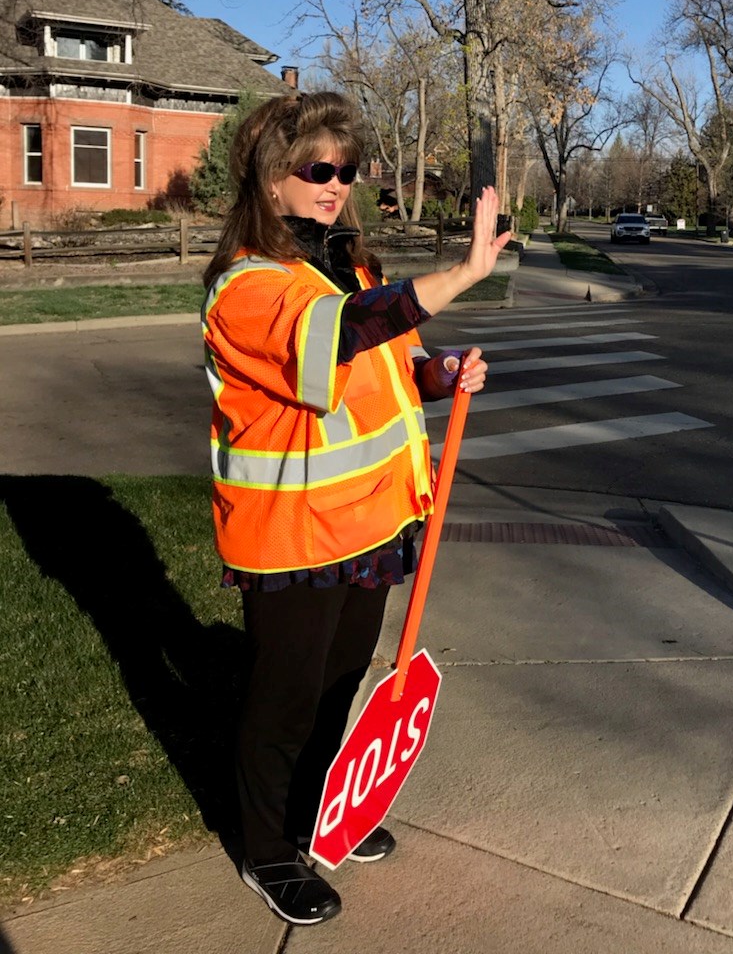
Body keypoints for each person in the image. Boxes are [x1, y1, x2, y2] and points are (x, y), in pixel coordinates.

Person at [201, 90, 511, 926]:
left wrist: (443, 376)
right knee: (284, 699)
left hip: (369, 526)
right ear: (271, 180)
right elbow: (335, 337)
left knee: (339, 684)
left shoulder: (351, 266)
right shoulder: (247, 288)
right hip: (292, 539)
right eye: (317, 168)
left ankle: (316, 814)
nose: (335, 182)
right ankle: (267, 852)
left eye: (346, 168)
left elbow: (395, 364)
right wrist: (462, 275)